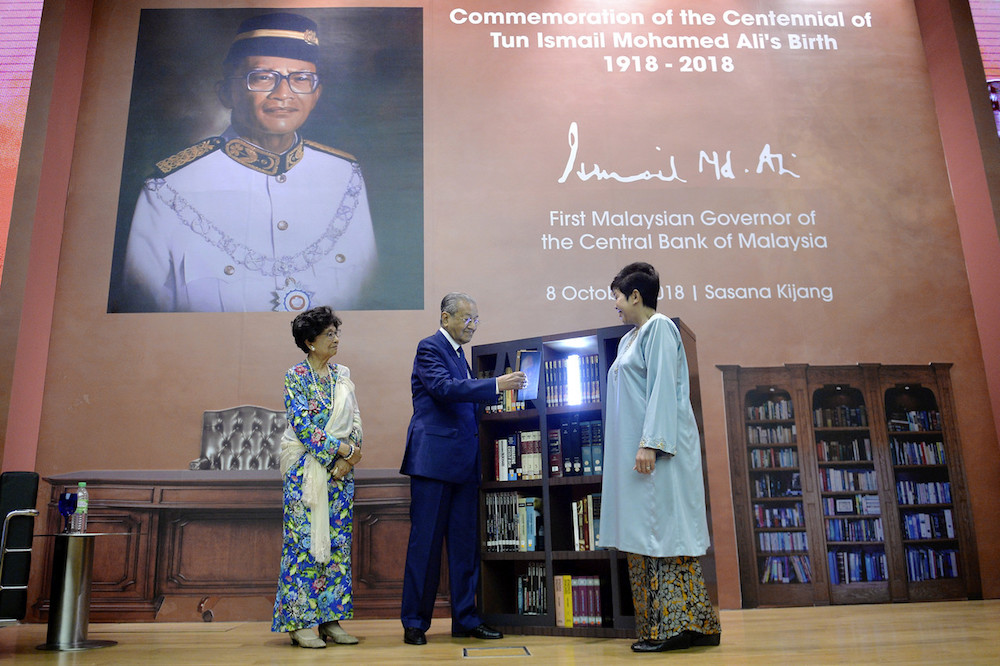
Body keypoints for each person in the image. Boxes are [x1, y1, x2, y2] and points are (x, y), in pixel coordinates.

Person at [121, 12, 377, 312]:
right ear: (227, 92)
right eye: (263, 77)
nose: (284, 94)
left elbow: (366, 293)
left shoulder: (345, 175)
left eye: (301, 79)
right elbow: (142, 316)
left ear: (316, 94)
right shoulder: (168, 188)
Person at [598, 262, 722, 653]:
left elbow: (665, 390)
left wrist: (650, 442)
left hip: (657, 456)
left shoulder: (660, 328)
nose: (615, 304)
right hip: (636, 461)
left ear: (636, 296)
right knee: (644, 538)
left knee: (664, 537)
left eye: (617, 296)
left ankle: (674, 629)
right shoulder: (628, 340)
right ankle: (691, 625)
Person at [399, 293, 526, 645]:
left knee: (464, 546)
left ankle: (466, 620)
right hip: (433, 464)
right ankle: (414, 623)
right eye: (468, 319)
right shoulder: (430, 348)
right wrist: (496, 385)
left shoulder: (460, 357)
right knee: (424, 547)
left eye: (476, 320)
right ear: (445, 318)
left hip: (464, 465)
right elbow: (444, 389)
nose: (473, 325)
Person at [272, 305, 364, 648]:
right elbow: (303, 425)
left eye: (336, 332)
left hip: (340, 475)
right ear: (310, 342)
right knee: (302, 546)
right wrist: (338, 452)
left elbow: (354, 420)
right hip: (303, 473)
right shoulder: (295, 376)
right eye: (329, 334)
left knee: (337, 545)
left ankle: (330, 620)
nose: (336, 338)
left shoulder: (342, 374)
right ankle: (299, 622)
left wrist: (350, 458)